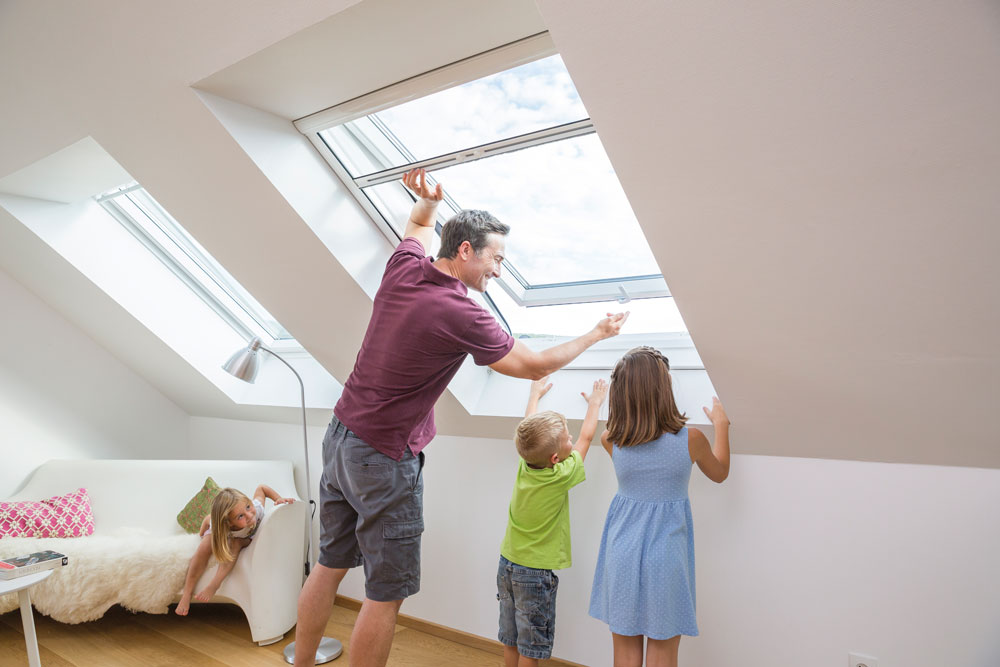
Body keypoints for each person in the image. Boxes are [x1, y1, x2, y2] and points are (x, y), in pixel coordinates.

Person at [294, 168, 629, 667]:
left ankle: (301, 661)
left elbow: (415, 230)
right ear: (467, 251)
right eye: (496, 258)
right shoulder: (460, 311)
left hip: (341, 435)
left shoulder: (405, 269)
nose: (499, 271)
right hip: (383, 457)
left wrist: (427, 203)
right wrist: (596, 334)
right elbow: (531, 365)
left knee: (328, 565)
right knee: (385, 594)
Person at [589, 346, 731, 667]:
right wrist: (721, 425)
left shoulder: (611, 439)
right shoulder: (690, 440)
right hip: (666, 556)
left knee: (625, 650)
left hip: (621, 551)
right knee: (663, 650)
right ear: (663, 389)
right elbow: (720, 472)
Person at [498, 376, 607, 667]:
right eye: (566, 439)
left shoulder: (525, 464)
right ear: (556, 457)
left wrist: (534, 394)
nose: (572, 440)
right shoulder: (560, 476)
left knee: (511, 639)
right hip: (534, 574)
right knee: (531, 649)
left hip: (507, 564)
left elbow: (527, 427)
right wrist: (595, 404)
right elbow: (586, 438)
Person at [175, 485, 295, 616]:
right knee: (204, 547)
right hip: (225, 532)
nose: (249, 515)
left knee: (236, 543)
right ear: (230, 523)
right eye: (240, 516)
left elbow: (262, 488)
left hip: (245, 538)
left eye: (248, 507)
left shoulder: (257, 509)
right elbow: (208, 520)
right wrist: (202, 532)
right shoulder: (221, 526)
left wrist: (278, 499)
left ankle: (215, 584)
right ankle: (186, 594)